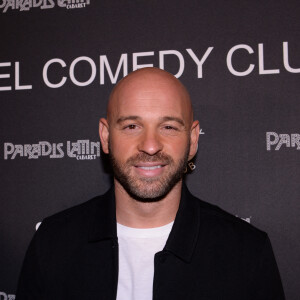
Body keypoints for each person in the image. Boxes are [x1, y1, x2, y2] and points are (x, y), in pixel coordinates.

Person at [16, 67, 285, 300]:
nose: (151, 146)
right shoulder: (52, 244)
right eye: (132, 126)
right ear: (105, 136)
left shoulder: (246, 252)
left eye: (168, 127)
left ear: (192, 140)